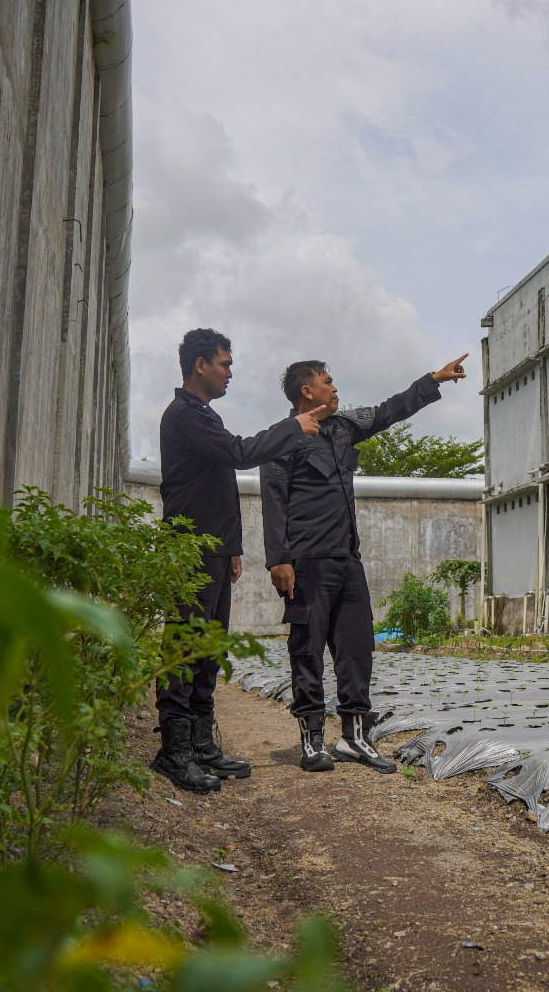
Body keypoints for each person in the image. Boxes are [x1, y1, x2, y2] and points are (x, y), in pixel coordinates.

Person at [262, 353, 469, 772]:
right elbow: (273, 501)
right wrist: (277, 559)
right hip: (306, 563)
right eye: (327, 381)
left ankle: (354, 738)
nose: (335, 388)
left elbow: (391, 410)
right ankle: (312, 741)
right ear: (307, 391)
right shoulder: (281, 438)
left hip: (347, 560)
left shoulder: (343, 427)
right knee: (307, 650)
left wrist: (434, 379)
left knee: (357, 649)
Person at [154, 328, 327, 794]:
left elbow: (215, 487)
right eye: (225, 363)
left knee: (208, 648)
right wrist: (294, 426)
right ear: (200, 366)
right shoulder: (186, 416)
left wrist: (231, 549)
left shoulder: (202, 415)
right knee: (186, 647)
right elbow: (239, 453)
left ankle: (202, 746)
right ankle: (174, 752)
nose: (230, 371)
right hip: (189, 551)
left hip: (211, 550)